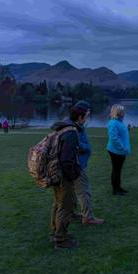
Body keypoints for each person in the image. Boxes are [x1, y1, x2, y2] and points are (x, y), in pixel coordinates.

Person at [49, 107, 84, 249]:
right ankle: (61, 239)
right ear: (80, 118)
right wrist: (73, 175)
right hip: (64, 176)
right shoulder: (71, 133)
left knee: (58, 204)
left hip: (55, 172)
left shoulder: (61, 129)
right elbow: (67, 159)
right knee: (65, 207)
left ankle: (55, 232)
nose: (86, 119)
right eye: (85, 116)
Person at [72, 100, 105, 226]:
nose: (87, 118)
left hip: (75, 164)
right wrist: (86, 148)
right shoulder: (73, 128)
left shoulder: (76, 125)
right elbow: (74, 143)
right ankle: (88, 217)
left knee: (72, 191)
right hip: (77, 165)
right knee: (84, 191)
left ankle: (71, 213)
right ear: (80, 115)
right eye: (87, 115)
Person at [107, 104, 131, 196]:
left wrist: (127, 129)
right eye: (122, 111)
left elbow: (120, 133)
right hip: (116, 151)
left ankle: (118, 187)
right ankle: (115, 190)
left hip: (120, 151)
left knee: (118, 170)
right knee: (116, 170)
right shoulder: (113, 123)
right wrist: (122, 148)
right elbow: (114, 138)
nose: (124, 113)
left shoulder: (119, 122)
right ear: (117, 112)